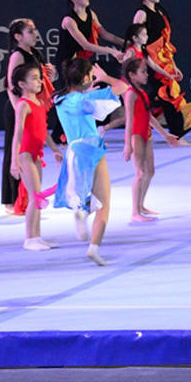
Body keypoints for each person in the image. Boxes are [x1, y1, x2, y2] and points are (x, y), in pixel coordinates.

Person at [53, 57, 126, 265]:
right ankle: (94, 248)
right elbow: (123, 86)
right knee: (104, 204)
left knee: (85, 193)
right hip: (91, 148)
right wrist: (105, 78)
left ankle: (81, 210)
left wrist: (87, 89)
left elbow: (76, 97)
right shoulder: (88, 100)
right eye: (91, 76)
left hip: (73, 151)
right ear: (86, 77)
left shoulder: (59, 99)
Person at [133, 0, 191, 136]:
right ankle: (176, 130)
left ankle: (169, 128)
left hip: (163, 59)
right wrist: (144, 60)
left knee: (163, 94)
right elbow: (136, 38)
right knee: (164, 94)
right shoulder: (141, 14)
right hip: (149, 61)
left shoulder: (160, 11)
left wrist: (173, 64)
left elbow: (165, 42)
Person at [2, 18, 56, 214]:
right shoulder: (17, 55)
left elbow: (41, 80)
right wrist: (20, 107)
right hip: (20, 107)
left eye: (35, 30)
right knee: (15, 150)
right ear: (18, 36)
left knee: (31, 150)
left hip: (32, 107)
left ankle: (28, 197)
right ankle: (11, 199)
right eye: (30, 31)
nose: (35, 33)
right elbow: (10, 84)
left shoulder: (35, 53)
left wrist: (51, 74)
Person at [120, 57, 181, 223]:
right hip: (135, 135)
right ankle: (134, 212)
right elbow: (129, 120)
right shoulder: (130, 94)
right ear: (132, 75)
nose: (147, 75)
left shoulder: (141, 92)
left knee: (150, 171)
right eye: (143, 72)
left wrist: (165, 134)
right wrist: (127, 145)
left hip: (145, 133)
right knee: (139, 173)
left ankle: (141, 206)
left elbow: (149, 116)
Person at [10, 63, 63, 252]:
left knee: (38, 196)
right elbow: (18, 133)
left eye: (39, 77)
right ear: (22, 84)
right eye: (34, 78)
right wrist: (14, 161)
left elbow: (44, 131)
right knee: (34, 197)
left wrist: (55, 149)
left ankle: (37, 236)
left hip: (36, 154)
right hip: (25, 155)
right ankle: (29, 238)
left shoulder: (39, 102)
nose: (40, 81)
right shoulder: (23, 105)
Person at [58, 0, 124, 72]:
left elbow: (104, 34)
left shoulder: (91, 14)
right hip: (67, 62)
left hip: (81, 61)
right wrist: (112, 51)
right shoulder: (69, 20)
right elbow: (85, 45)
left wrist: (124, 43)